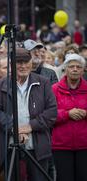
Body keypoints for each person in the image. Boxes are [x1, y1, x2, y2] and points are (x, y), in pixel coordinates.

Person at [0, 48, 57, 181]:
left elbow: (51, 112)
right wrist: (14, 128)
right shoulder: (1, 84)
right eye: (19, 62)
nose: (23, 66)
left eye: (26, 61)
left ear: (31, 62)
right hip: (9, 145)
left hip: (37, 146)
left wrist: (30, 126)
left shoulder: (43, 83)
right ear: (12, 64)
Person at [51, 53, 87, 181]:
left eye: (79, 66)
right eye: (72, 66)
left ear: (83, 70)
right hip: (61, 145)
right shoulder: (54, 89)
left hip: (85, 145)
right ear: (65, 69)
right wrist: (67, 114)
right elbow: (49, 115)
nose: (75, 69)